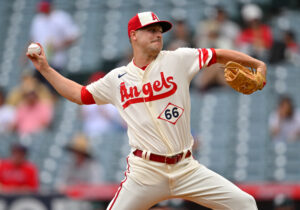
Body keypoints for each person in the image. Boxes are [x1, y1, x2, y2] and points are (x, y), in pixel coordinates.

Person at [27, 11, 267, 210]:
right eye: (151, 30)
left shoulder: (178, 59)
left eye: (160, 30)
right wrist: (45, 68)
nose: (158, 34)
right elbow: (79, 95)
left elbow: (217, 55)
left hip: (186, 168)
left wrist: (256, 64)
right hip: (145, 172)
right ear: (134, 36)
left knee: (245, 204)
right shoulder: (117, 79)